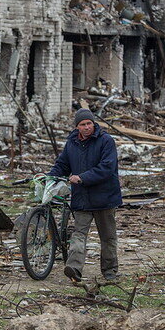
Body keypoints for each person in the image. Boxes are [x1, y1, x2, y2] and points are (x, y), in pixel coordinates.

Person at [48, 108, 122, 282]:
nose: (87, 127)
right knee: (78, 234)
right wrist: (50, 176)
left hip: (105, 198)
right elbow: (63, 164)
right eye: (83, 124)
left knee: (108, 237)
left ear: (94, 124)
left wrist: (82, 178)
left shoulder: (106, 141)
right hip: (82, 198)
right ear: (77, 127)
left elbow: (107, 167)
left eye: (89, 123)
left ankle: (110, 271)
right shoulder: (72, 143)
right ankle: (74, 269)